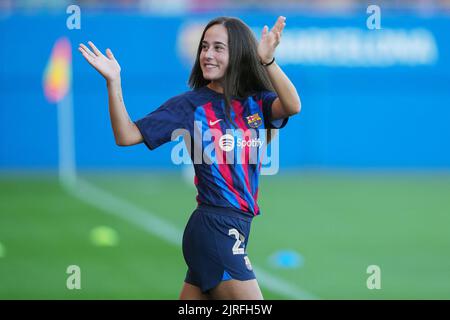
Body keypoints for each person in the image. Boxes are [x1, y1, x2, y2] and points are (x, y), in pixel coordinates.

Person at [78, 15, 301, 300]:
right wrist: (114, 81)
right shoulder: (188, 105)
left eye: (218, 48)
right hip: (215, 228)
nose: (207, 54)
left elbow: (293, 105)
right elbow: (126, 135)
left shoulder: (256, 101)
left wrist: (267, 61)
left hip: (234, 229)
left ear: (239, 54)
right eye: (204, 47)